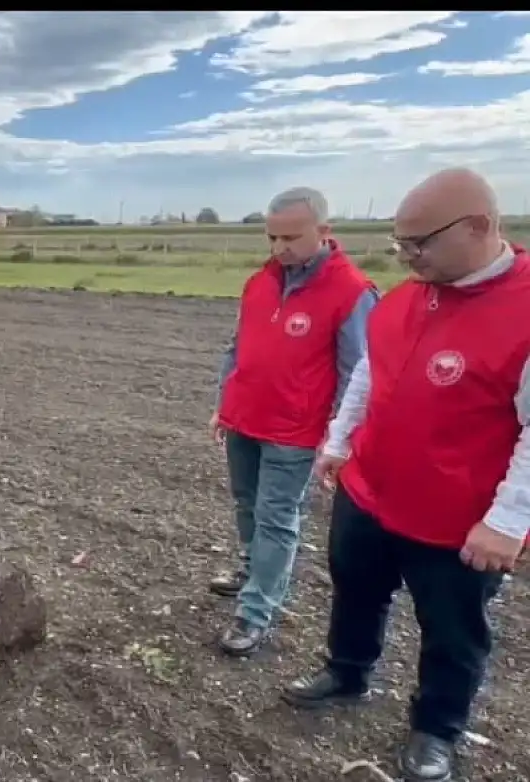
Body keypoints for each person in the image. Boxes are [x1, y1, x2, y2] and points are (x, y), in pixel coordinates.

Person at [283, 168, 528, 782]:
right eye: (401, 244)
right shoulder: (405, 296)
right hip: (370, 491)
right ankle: (347, 671)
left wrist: (507, 522)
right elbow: (370, 370)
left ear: (478, 226)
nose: (408, 256)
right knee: (355, 591)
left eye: (420, 243)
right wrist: (339, 443)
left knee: (452, 629)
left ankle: (437, 728)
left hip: (458, 519)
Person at [208, 186, 377, 657]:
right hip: (245, 418)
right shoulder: (260, 282)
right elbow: (237, 348)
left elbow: (358, 375)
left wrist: (337, 439)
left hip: (294, 434)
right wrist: (225, 404)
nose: (279, 248)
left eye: (291, 237)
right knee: (246, 505)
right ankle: (250, 567)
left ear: (324, 232)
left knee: (277, 518)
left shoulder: (351, 292)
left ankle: (256, 610)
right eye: (272, 237)